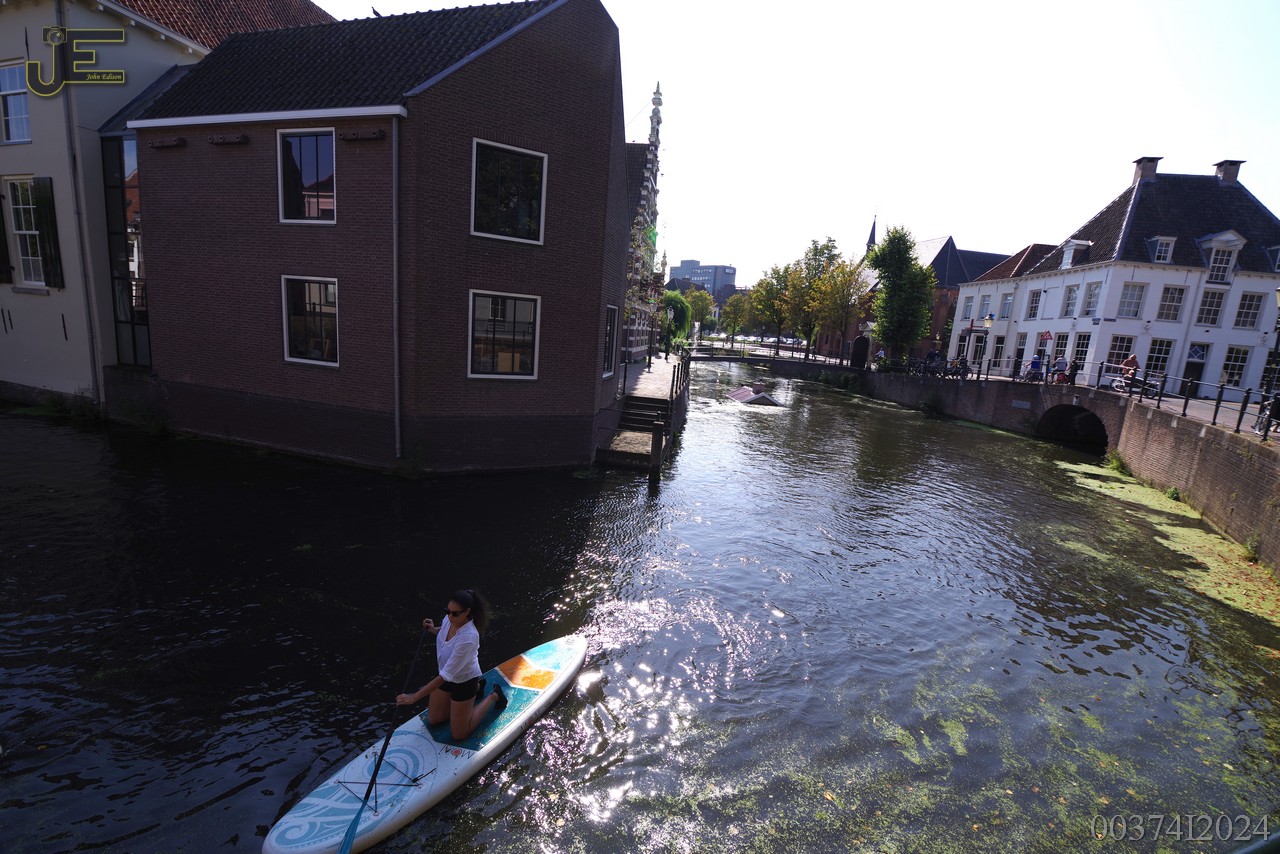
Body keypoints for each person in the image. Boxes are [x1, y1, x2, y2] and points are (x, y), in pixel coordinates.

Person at [396, 589, 506, 740]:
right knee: (434, 720)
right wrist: (433, 629)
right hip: (446, 675)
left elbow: (444, 676)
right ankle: (478, 688)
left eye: (455, 613)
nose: (449, 616)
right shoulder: (450, 619)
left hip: (463, 681)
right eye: (447, 611)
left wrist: (414, 697)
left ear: (467, 612)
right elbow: (445, 633)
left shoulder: (469, 637)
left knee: (459, 735)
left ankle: (493, 695)